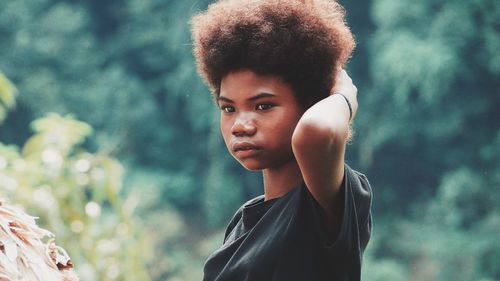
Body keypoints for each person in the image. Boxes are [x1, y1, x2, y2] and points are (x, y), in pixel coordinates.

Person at [191, 0, 372, 280]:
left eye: (263, 106)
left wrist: (344, 95)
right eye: (229, 108)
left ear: (310, 104)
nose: (240, 125)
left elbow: (316, 131)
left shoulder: (327, 204)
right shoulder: (244, 221)